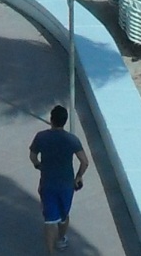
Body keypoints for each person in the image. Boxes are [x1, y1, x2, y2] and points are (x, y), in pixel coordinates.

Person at [29, 105, 90, 252]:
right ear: (65, 121)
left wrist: (38, 166)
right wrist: (79, 176)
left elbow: (33, 156)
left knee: (50, 221)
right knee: (64, 216)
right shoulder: (72, 139)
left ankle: (51, 253)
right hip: (66, 185)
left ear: (51, 119)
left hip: (47, 184)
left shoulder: (41, 137)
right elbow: (85, 161)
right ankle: (61, 239)